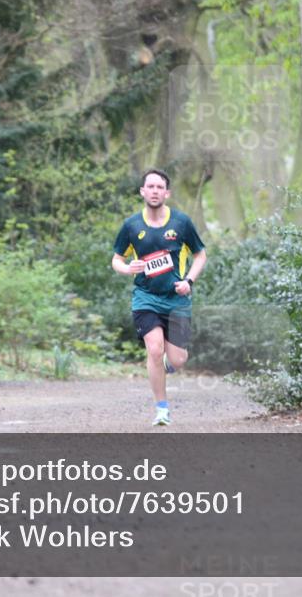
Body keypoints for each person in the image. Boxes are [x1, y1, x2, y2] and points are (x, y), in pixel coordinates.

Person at [112, 169, 207, 426]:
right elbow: (116, 259)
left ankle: (161, 365)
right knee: (154, 350)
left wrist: (188, 281)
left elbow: (200, 255)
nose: (154, 191)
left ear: (167, 193)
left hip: (177, 300)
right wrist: (127, 268)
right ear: (142, 191)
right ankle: (162, 409)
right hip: (146, 297)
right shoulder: (132, 225)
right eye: (150, 186)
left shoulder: (181, 223)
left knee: (178, 359)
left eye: (159, 187)